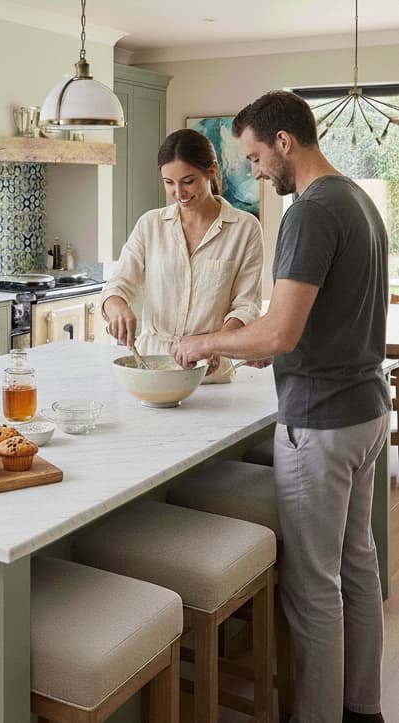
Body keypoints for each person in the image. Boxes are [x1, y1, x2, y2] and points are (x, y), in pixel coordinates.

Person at [174, 90, 390, 723]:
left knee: (313, 587)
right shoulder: (359, 202)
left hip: (321, 423)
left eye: (257, 156)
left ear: (284, 142)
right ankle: (362, 708)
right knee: (358, 568)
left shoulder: (310, 212)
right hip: (366, 411)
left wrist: (205, 343)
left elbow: (279, 333)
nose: (257, 171)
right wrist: (266, 344)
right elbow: (306, 323)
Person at [101, 127, 264, 383]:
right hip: (150, 371)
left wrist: (215, 345)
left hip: (209, 374)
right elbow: (118, 285)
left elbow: (246, 305)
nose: (179, 193)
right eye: (169, 183)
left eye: (188, 181)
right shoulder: (150, 225)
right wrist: (117, 308)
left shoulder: (245, 228)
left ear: (211, 172)